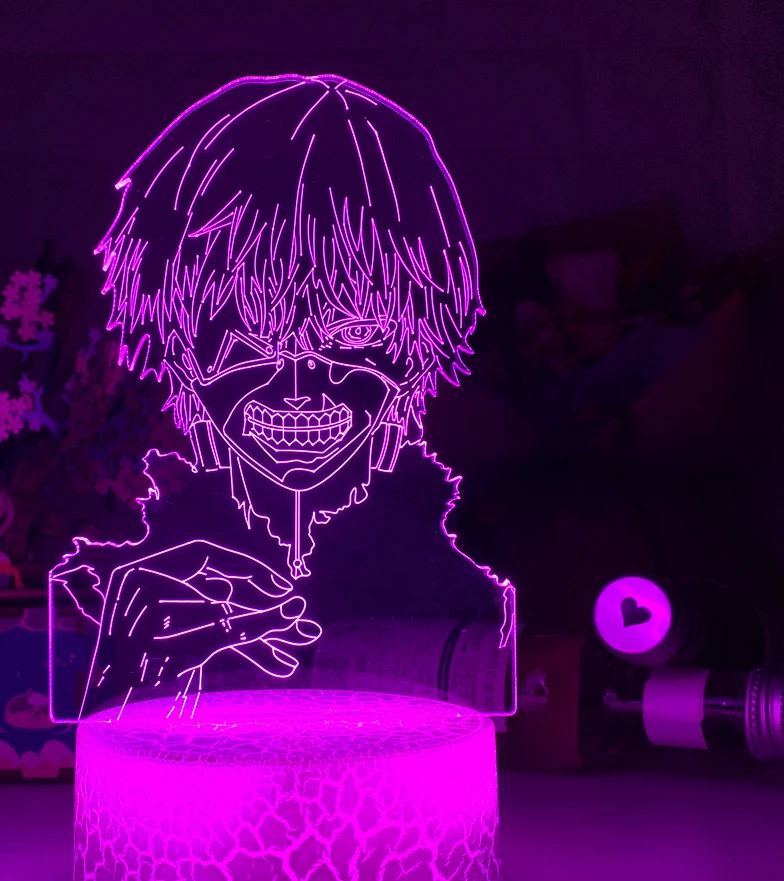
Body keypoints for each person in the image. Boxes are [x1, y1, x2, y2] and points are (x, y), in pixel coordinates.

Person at [49, 75, 515, 722]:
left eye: (351, 336)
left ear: (418, 343)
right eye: (245, 341)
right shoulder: (115, 568)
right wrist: (126, 688)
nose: (297, 389)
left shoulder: (466, 567)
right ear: (177, 348)